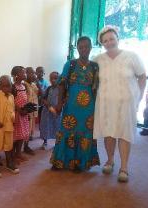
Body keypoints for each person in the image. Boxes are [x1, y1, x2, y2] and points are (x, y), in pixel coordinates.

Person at [93, 26, 146, 182]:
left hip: (126, 104)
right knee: (109, 133)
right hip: (105, 104)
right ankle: (110, 161)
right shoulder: (97, 60)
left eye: (111, 39)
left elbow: (142, 77)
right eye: (105, 40)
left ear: (118, 38)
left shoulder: (132, 56)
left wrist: (139, 97)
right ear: (102, 43)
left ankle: (124, 167)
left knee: (124, 133)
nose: (109, 42)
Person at [50, 36, 100, 172]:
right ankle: (60, 161)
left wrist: (98, 108)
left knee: (84, 133)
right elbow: (61, 84)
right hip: (71, 106)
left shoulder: (95, 67)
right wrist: (59, 103)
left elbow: (96, 89)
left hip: (88, 108)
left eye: (86, 46)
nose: (83, 49)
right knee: (66, 130)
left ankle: (80, 163)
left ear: (90, 48)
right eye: (80, 47)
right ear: (77, 48)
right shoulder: (70, 64)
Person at [11, 66, 30, 164]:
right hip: (17, 114)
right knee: (15, 136)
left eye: (25, 72)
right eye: (23, 72)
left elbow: (26, 99)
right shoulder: (13, 87)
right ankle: (13, 155)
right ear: (16, 75)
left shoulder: (24, 86)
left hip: (24, 114)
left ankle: (18, 153)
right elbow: (11, 101)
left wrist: (27, 110)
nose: (25, 74)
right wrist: (19, 110)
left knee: (22, 135)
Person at [39, 72, 61, 149]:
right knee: (46, 126)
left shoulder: (62, 89)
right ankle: (45, 142)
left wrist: (59, 107)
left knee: (57, 126)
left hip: (57, 112)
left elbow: (64, 99)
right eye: (51, 78)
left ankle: (57, 143)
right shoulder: (48, 89)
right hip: (48, 111)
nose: (53, 80)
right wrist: (48, 106)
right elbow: (43, 98)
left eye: (55, 78)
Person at [24, 67, 38, 153]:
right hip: (27, 110)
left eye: (34, 73)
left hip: (33, 110)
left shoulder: (33, 84)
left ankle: (26, 146)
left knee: (30, 129)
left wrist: (36, 81)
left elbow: (38, 93)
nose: (33, 75)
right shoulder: (24, 84)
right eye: (31, 73)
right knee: (26, 129)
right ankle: (25, 146)